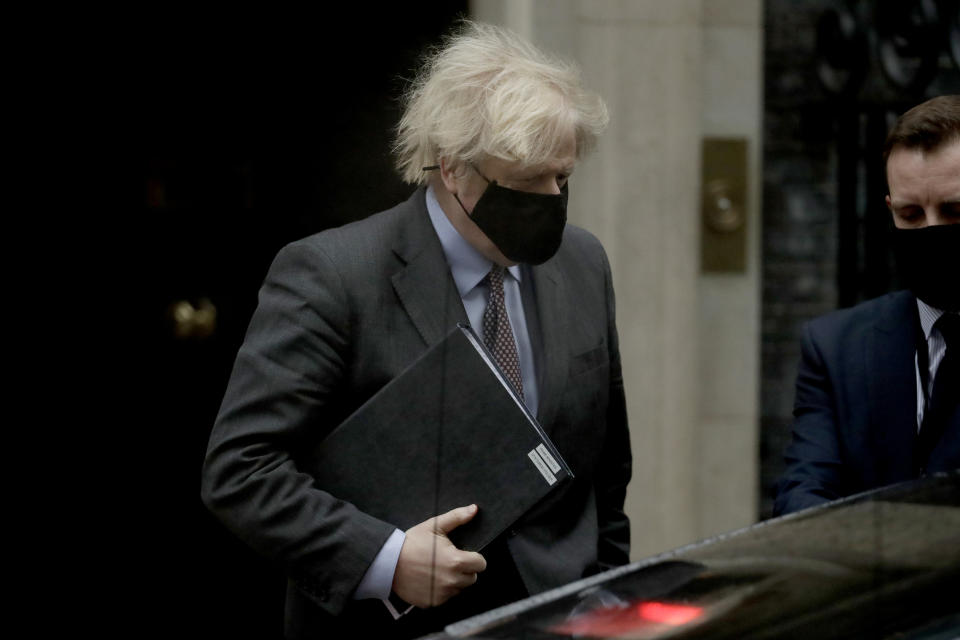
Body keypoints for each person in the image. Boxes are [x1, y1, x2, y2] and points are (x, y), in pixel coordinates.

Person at [201, 20, 631, 639]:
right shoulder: (332, 275)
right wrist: (387, 558)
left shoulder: (583, 262)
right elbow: (242, 469)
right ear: (453, 169)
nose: (552, 199)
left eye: (562, 178)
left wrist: (606, 596)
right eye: (527, 181)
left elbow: (606, 466)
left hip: (562, 619)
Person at [774, 95, 960, 516]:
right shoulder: (837, 347)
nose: (931, 231)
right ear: (890, 210)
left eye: (954, 211)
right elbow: (803, 496)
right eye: (912, 215)